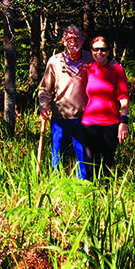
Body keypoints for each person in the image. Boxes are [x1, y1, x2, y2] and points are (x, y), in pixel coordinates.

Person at [38, 26, 93, 179]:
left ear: (82, 41)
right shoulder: (55, 61)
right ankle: (57, 183)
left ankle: (82, 185)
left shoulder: (90, 59)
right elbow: (45, 88)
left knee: (83, 155)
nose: (73, 42)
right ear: (63, 42)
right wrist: (44, 106)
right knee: (57, 153)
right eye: (69, 39)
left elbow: (106, 72)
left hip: (83, 117)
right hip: (59, 117)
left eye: (76, 39)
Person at [81, 35, 130, 181]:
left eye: (103, 49)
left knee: (107, 164)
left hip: (110, 124)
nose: (99, 53)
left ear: (108, 52)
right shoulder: (88, 69)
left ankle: (106, 197)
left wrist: (124, 122)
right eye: (96, 50)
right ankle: (90, 195)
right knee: (90, 164)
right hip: (89, 124)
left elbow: (124, 97)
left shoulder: (117, 70)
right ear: (91, 51)